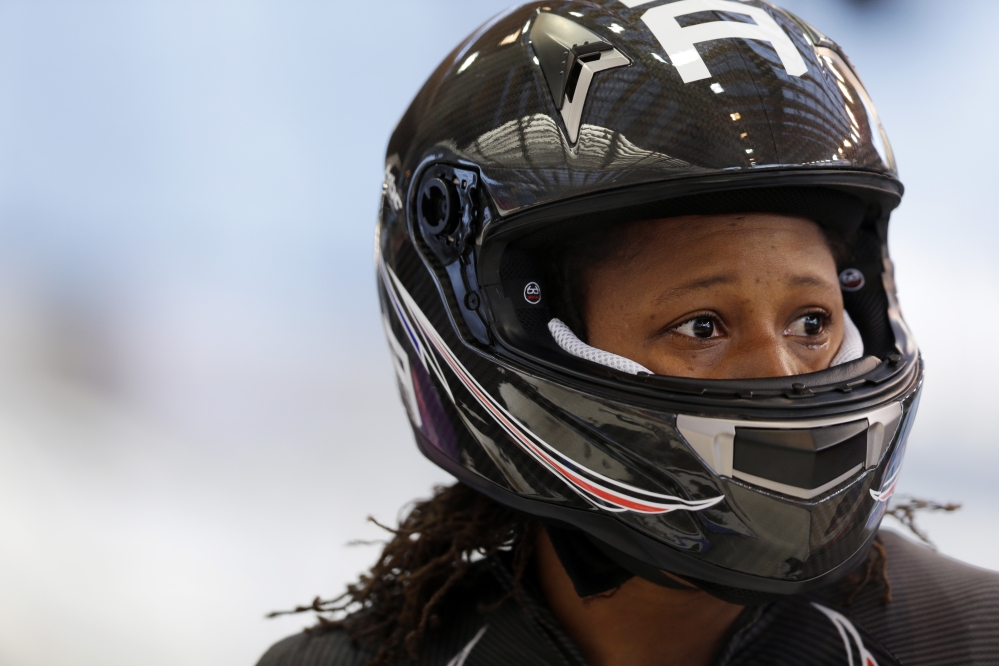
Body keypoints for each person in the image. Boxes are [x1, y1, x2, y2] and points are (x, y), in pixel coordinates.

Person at [258, 2, 999, 665]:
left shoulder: (975, 637)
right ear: (525, 329)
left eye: (811, 322)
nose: (784, 373)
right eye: (701, 326)